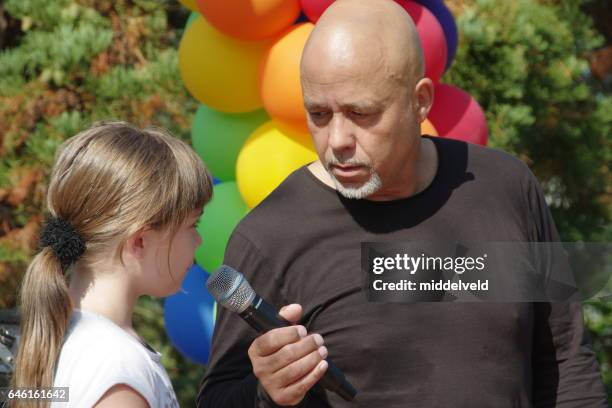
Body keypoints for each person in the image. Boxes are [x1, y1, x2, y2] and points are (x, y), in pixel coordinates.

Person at [197, 0, 608, 407]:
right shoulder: (270, 235)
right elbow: (218, 398)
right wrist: (264, 393)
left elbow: (565, 363)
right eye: (319, 114)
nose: (337, 139)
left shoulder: (506, 188)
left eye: (361, 113)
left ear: (421, 101)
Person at [11, 121, 213, 408]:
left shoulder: (66, 337)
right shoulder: (117, 368)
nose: (199, 241)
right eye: (194, 224)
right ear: (140, 242)